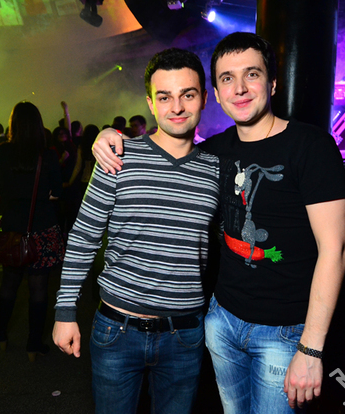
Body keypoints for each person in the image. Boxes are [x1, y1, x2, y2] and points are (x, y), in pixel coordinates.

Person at [92, 32, 345, 413]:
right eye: (228, 78)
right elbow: (166, 157)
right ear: (215, 91)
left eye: (252, 74)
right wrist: (110, 137)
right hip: (221, 323)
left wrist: (311, 348)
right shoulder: (213, 152)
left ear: (273, 83)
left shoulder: (311, 146)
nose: (240, 88)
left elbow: (335, 250)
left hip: (283, 334)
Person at [53, 48, 220, 414]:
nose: (177, 107)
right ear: (150, 103)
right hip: (117, 331)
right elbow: (84, 235)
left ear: (204, 98)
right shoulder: (117, 155)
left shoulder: (216, 168)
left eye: (187, 95)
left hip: (185, 335)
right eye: (165, 97)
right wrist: (65, 311)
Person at [0, 101, 63, 360]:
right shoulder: (48, 155)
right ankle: (34, 344)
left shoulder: (3, 153)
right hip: (40, 227)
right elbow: (58, 191)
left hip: (13, 228)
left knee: (9, 283)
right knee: (39, 287)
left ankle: (0, 335)